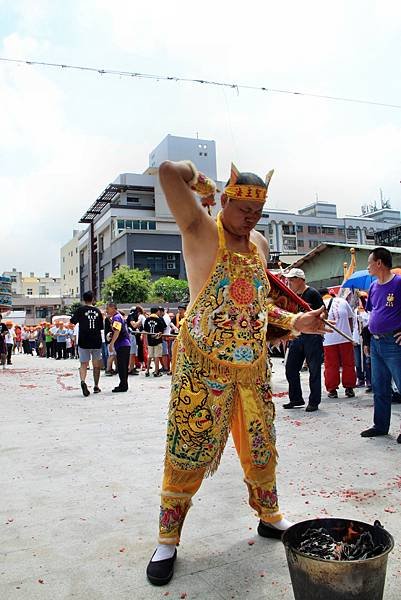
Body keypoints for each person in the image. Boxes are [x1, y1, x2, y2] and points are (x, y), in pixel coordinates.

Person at [146, 160, 328, 586]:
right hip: (202, 366)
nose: (252, 219)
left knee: (262, 447)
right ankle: (167, 540)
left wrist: (297, 323)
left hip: (252, 366)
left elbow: (258, 306)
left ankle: (270, 515)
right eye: (245, 210)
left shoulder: (260, 244)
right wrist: (206, 186)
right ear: (226, 202)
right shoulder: (201, 229)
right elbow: (170, 172)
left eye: (258, 212)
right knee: (187, 448)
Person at [360, 248, 401, 443]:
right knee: (380, 387)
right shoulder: (374, 287)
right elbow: (372, 314)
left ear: (379, 263)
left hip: (394, 342)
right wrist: (367, 340)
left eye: (369, 262)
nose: (367, 266)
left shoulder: (399, 283)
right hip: (375, 343)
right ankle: (381, 425)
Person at [283, 269, 324, 412]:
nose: (289, 282)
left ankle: (314, 401)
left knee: (314, 369)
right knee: (290, 368)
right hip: (297, 336)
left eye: (292, 279)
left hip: (312, 337)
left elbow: (322, 311)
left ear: (301, 279)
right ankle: (296, 398)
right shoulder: (291, 296)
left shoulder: (312, 293)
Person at [70, 291, 104, 397]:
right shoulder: (97, 311)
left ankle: (83, 381)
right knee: (96, 365)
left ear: (84, 299)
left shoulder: (80, 310)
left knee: (83, 364)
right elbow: (101, 327)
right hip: (96, 340)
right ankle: (96, 385)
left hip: (83, 340)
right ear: (93, 299)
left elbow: (72, 321)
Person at [106, 302, 131, 392]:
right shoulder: (119, 316)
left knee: (122, 366)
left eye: (107, 308)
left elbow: (117, 331)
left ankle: (123, 385)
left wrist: (111, 343)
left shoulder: (116, 317)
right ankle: (123, 384)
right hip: (124, 344)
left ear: (113, 308)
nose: (106, 310)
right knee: (123, 366)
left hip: (122, 344)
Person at [143, 308, 165, 377]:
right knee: (156, 356)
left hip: (150, 340)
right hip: (157, 340)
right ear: (157, 311)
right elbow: (162, 329)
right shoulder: (159, 319)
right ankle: (156, 372)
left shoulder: (147, 319)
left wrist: (146, 341)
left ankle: (147, 371)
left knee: (150, 356)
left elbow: (145, 330)